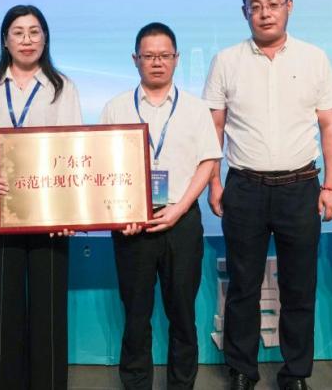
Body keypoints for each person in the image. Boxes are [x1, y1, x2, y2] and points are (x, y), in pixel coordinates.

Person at [203, 0, 332, 390]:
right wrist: (214, 183)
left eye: (273, 4)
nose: (265, 13)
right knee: (243, 285)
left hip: (300, 188)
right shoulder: (226, 60)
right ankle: (241, 369)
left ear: (289, 7)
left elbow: (329, 126)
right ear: (244, 12)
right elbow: (214, 128)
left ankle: (295, 372)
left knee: (299, 287)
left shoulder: (314, 58)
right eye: (256, 6)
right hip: (244, 187)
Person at [0, 4, 82, 390]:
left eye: (34, 31)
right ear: (5, 41)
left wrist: (71, 212)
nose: (27, 40)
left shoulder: (62, 87)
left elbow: (74, 146)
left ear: (45, 38)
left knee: (49, 301)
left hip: (50, 205)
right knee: (3, 300)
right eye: (18, 32)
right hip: (1, 201)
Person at [99, 22, 221, 389]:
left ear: (176, 58)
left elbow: (208, 161)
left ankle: (181, 385)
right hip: (131, 224)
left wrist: (180, 207)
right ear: (135, 59)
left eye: (164, 55)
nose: (157, 62)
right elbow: (103, 166)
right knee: (136, 316)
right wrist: (122, 213)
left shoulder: (196, 109)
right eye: (149, 56)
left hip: (181, 221)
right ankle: (136, 384)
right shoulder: (116, 107)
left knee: (182, 314)